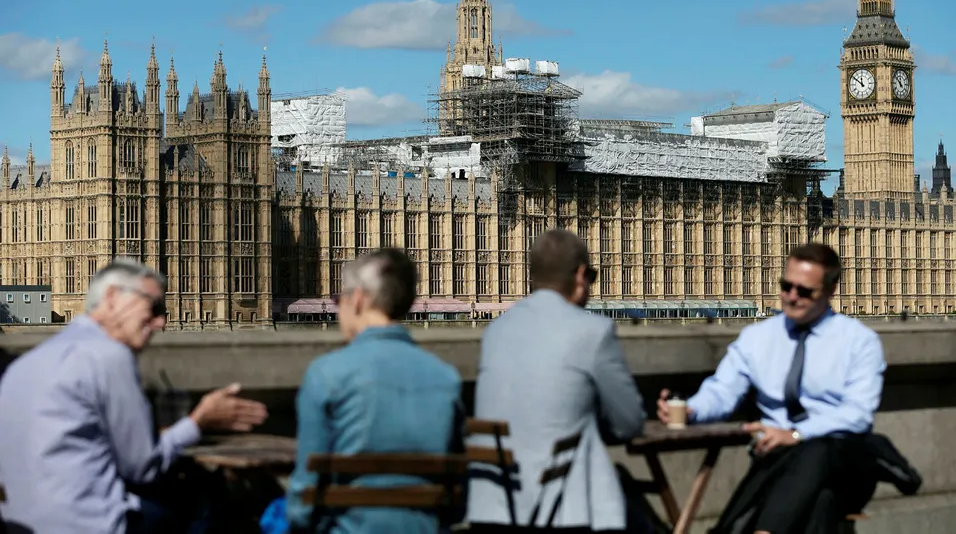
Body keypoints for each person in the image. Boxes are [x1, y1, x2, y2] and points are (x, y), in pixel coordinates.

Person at [0, 258, 269, 534]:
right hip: (88, 525)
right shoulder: (110, 356)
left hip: (21, 523)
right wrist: (199, 421)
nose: (161, 321)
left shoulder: (33, 359)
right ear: (112, 297)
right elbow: (143, 467)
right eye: (153, 307)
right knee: (211, 502)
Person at [657, 243, 886, 534]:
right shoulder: (758, 338)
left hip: (844, 460)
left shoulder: (859, 342)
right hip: (776, 460)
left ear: (831, 290)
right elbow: (723, 389)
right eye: (786, 286)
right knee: (821, 503)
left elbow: (857, 414)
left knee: (816, 449)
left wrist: (794, 434)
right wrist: (692, 408)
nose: (791, 296)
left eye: (804, 291)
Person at [467, 229, 648, 533]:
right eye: (592, 276)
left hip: (493, 508)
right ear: (580, 276)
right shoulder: (593, 331)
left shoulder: (495, 332)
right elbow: (630, 422)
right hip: (561, 511)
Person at [286, 248, 465, 534]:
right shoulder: (446, 378)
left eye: (338, 299)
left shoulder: (326, 375)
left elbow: (303, 502)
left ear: (357, 299)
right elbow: (457, 500)